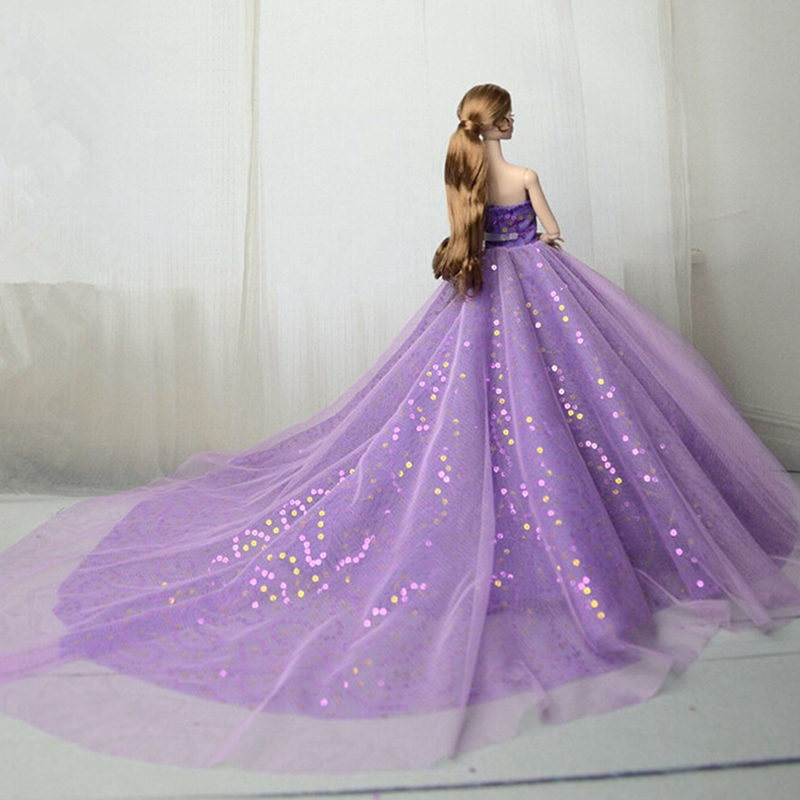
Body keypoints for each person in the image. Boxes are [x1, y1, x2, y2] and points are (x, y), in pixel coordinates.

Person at [1, 83, 799, 776]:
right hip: (542, 295)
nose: (513, 125)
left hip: (478, 295)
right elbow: (552, 234)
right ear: (502, 123)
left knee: (470, 414)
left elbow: (475, 234)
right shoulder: (524, 176)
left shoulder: (466, 180)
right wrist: (541, 242)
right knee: (573, 411)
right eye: (510, 115)